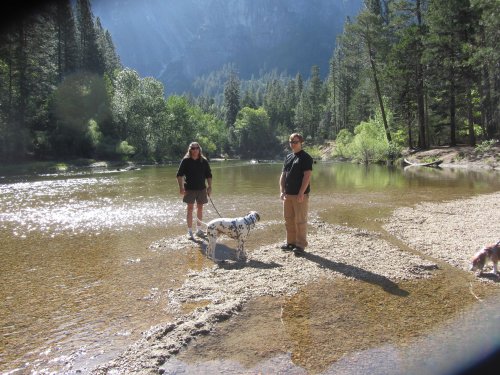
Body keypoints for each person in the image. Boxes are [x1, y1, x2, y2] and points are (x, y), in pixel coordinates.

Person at [279, 133, 313, 256]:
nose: (293, 144)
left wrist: (301, 192)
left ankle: (300, 245)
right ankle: (291, 243)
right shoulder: (288, 157)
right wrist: (282, 191)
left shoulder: (305, 157)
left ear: (301, 143)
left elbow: (307, 176)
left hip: (300, 196)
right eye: (291, 142)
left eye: (295, 142)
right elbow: (283, 175)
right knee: (288, 220)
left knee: (300, 221)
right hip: (287, 195)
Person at [176, 141, 212, 238]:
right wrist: (181, 188)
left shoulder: (203, 161)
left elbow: (209, 175)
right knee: (190, 209)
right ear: (190, 150)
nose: (195, 150)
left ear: (199, 149)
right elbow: (179, 175)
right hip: (190, 189)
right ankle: (189, 231)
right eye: (193, 148)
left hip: (202, 189)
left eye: (197, 148)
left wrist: (210, 187)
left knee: (200, 208)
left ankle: (199, 230)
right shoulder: (186, 161)